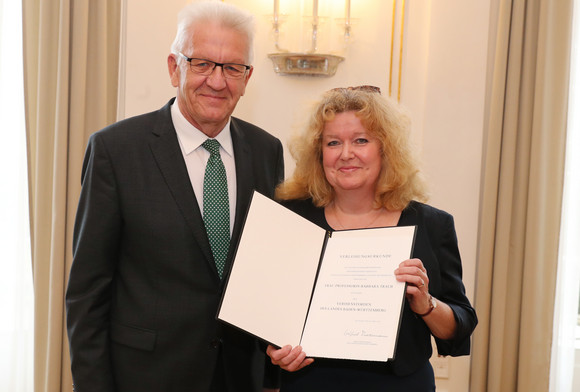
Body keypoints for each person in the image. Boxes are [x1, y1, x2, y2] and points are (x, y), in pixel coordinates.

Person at [65, 2, 284, 391]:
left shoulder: (267, 151)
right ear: (174, 67)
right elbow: (87, 293)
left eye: (233, 67)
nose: (217, 82)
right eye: (202, 63)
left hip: (238, 376)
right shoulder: (116, 151)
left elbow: (269, 271)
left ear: (247, 78)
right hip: (145, 377)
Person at [266, 86, 477, 391]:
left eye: (361, 140)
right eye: (333, 142)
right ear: (318, 153)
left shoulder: (431, 225)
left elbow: (459, 327)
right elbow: (266, 308)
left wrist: (425, 303)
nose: (346, 154)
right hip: (309, 381)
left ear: (385, 149)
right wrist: (273, 347)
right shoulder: (291, 218)